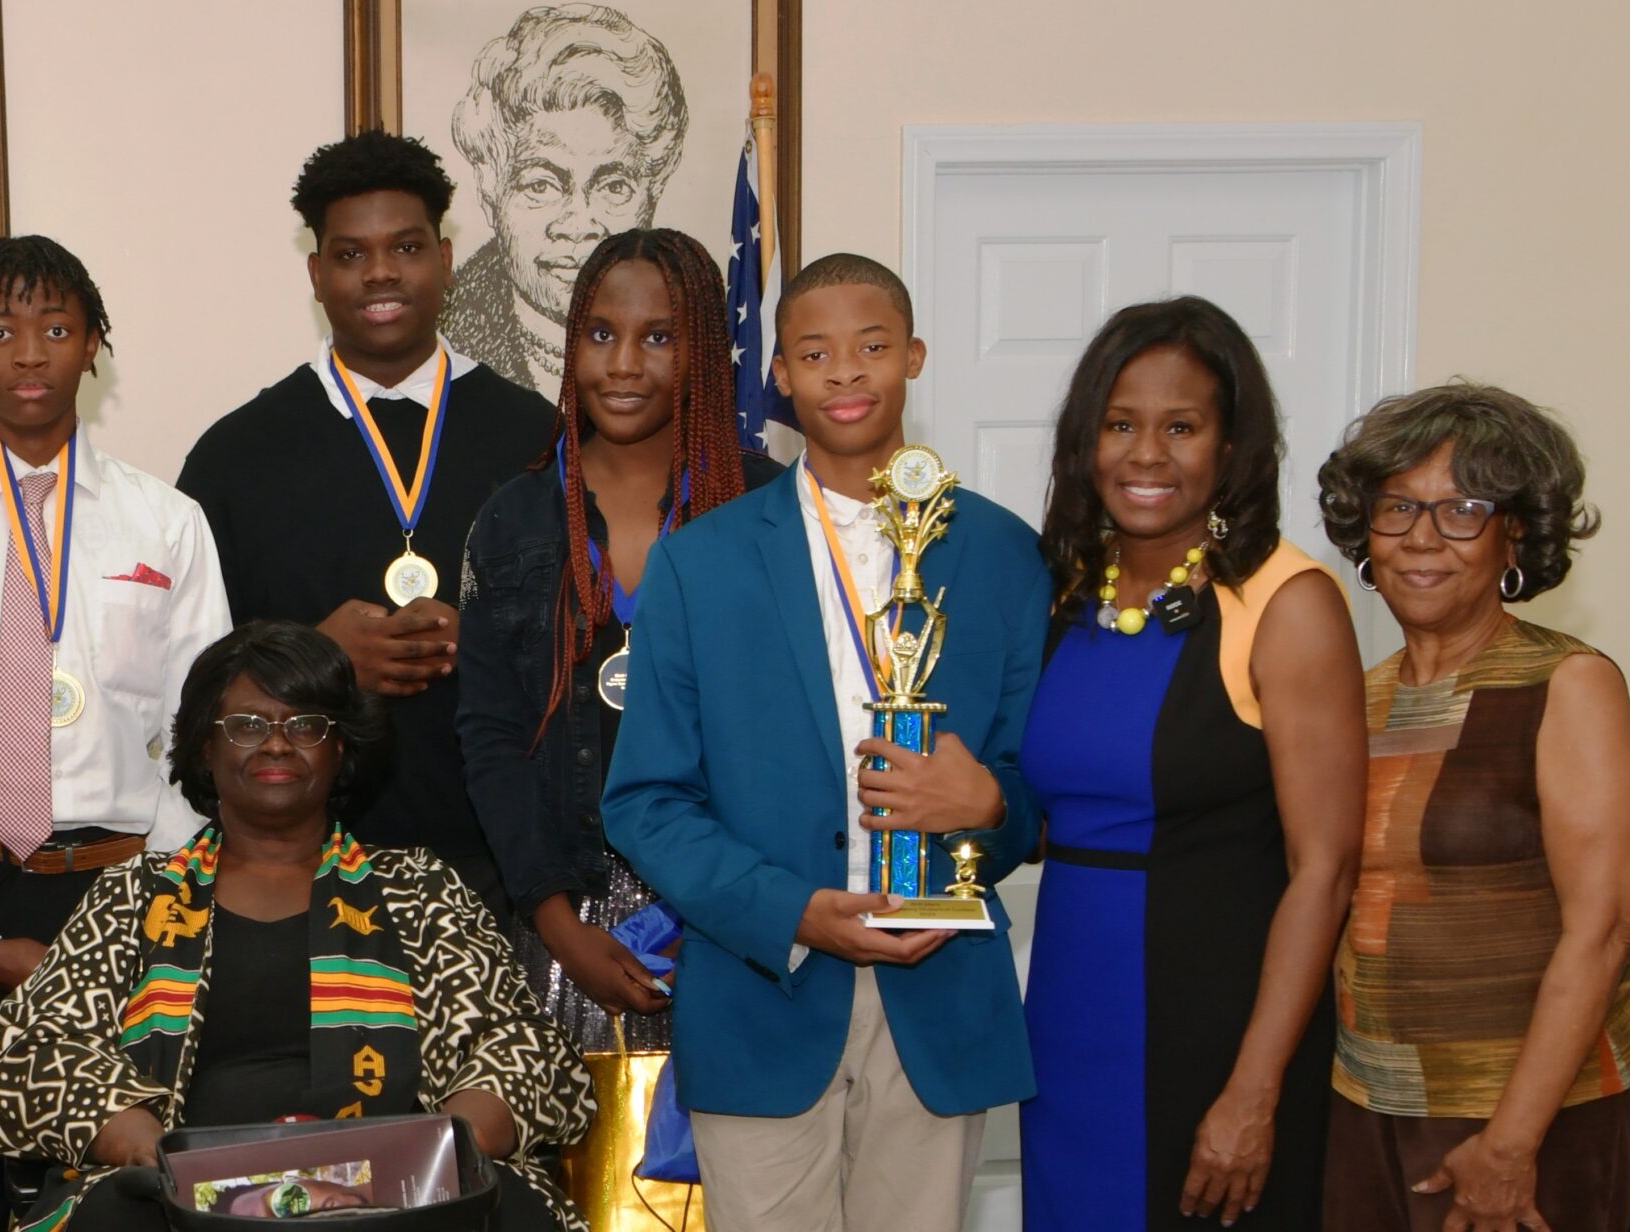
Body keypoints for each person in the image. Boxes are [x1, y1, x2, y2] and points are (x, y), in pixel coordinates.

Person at [599, 253, 1050, 1232]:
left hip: (942, 988)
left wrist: (991, 808)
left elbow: (1034, 794)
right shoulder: (701, 563)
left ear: (916, 357)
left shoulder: (1004, 552)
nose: (846, 372)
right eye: (816, 352)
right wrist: (794, 910)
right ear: (782, 378)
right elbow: (646, 800)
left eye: (873, 346)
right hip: (765, 985)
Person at [0, 622, 592, 1230]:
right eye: (245, 725)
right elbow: (22, 1055)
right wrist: (151, 1152)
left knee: (507, 1206)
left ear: (340, 748)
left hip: (399, 1195)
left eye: (305, 725)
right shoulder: (135, 896)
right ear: (205, 750)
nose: (276, 744)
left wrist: (440, 1151)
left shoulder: (420, 889)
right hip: (178, 1195)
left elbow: (530, 1050)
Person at [0, 235, 230, 1223]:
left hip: (130, 893)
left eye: (57, 328)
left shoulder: (167, 522)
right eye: (1, 329)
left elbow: (207, 738)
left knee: (130, 1191)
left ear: (94, 346)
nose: (30, 353)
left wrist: (152, 911)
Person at [1014, 298, 1365, 1232]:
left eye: (1182, 427)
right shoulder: (1063, 593)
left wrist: (1255, 1091)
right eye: (1121, 425)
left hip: (1218, 1027)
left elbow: (1325, 872)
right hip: (1068, 1022)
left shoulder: (1286, 602)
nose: (1146, 456)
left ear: (1231, 445)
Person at [1306, 383, 1630, 1232]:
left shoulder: (1567, 686)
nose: (1423, 539)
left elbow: (1604, 932)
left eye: (1462, 509)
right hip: (1370, 1102)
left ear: (1515, 533)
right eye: (1397, 508)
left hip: (1540, 1119)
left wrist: (1510, 1142)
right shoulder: (1355, 700)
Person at [179, 130, 559, 909]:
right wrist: (316, 662)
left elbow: (589, 642)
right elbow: (193, 688)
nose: (381, 272)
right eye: (351, 255)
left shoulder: (537, 438)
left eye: (407, 247)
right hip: (297, 881)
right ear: (316, 275)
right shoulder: (234, 457)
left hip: (507, 869)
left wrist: (488, 645)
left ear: (446, 260)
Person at [453, 229, 769, 1052]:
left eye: (658, 336)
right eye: (600, 334)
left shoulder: (764, 508)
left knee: (744, 1177)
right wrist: (558, 928)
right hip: (566, 920)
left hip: (737, 913)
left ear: (702, 348)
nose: (623, 363)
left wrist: (719, 900)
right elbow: (490, 740)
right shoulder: (514, 517)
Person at [438, 4, 689, 403]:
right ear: (491, 192)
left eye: (613, 186)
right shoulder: (440, 365)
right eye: (541, 185)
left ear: (652, 191)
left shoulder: (709, 360)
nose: (578, 223)